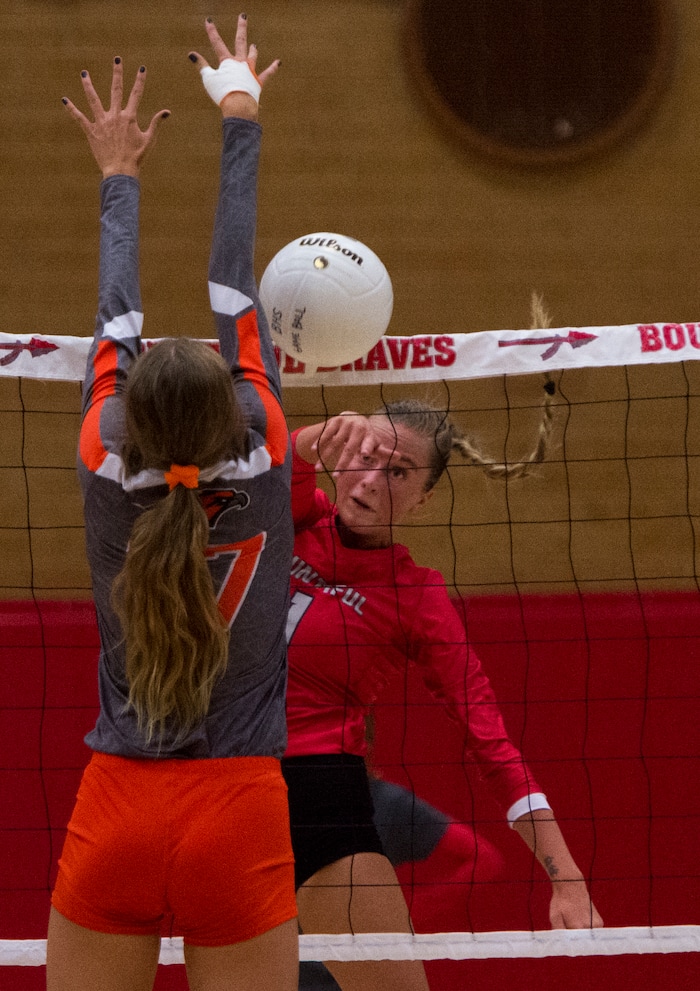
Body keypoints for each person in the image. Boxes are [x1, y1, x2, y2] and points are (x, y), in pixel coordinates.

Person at [48, 15, 298, 991]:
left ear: (130, 412)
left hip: (118, 803)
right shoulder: (269, 448)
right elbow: (236, 288)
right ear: (233, 407)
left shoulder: (103, 460)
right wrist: (240, 109)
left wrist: (121, 173)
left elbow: (118, 317)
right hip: (237, 811)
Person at [282, 399, 604, 991]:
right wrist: (310, 437)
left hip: (320, 798)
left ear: (424, 499)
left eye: (399, 472)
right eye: (365, 455)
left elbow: (491, 742)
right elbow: (258, 472)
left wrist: (567, 878)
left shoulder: (417, 598)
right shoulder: (296, 516)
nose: (372, 481)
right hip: (223, 779)